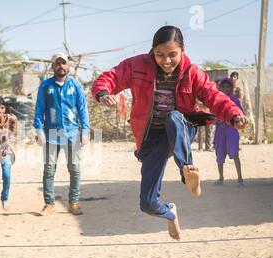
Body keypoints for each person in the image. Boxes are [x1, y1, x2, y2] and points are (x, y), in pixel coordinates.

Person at [92, 26, 248, 240]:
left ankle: (187, 171)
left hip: (180, 129)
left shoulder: (192, 73)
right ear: (152, 52)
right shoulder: (137, 65)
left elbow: (214, 97)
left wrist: (234, 115)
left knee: (173, 117)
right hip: (151, 138)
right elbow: (111, 77)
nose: (166, 61)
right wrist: (102, 93)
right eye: (160, 55)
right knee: (147, 204)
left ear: (182, 51)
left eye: (172, 55)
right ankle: (170, 212)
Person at [34, 52, 90, 215]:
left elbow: (82, 109)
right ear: (52, 66)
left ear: (68, 66)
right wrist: (39, 130)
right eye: (57, 63)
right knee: (49, 169)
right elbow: (39, 109)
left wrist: (85, 131)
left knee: (74, 168)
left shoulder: (75, 85)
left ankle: (74, 202)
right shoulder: (46, 86)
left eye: (63, 63)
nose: (61, 66)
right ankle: (49, 204)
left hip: (72, 132)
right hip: (51, 133)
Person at [213, 77, 245, 187]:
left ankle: (240, 179)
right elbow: (213, 115)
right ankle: (221, 178)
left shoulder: (235, 100)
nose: (225, 89)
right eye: (223, 87)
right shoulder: (216, 100)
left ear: (231, 88)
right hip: (220, 131)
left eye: (228, 87)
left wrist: (236, 121)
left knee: (234, 153)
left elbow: (240, 113)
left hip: (231, 130)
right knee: (219, 154)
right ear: (219, 88)